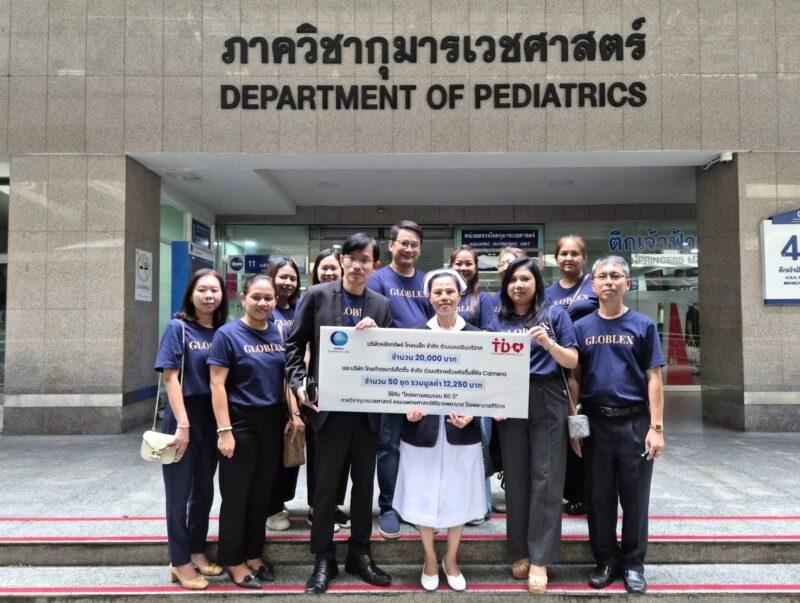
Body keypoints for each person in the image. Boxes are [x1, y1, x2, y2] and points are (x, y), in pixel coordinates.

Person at [286, 233, 394, 594]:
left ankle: (360, 554)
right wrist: (299, 382)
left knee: (364, 488)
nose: (358, 265)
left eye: (366, 259)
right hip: (328, 410)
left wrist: (379, 336)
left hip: (367, 413)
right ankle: (323, 557)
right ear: (342, 260)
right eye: (352, 258)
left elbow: (391, 353)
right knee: (325, 489)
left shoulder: (381, 304)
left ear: (375, 265)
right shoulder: (317, 296)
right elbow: (294, 344)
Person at [571, 256, 665, 595]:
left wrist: (657, 427)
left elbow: (654, 378)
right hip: (596, 423)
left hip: (634, 423)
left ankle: (634, 564)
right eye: (602, 276)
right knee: (599, 498)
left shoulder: (643, 325)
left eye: (615, 275)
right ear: (593, 284)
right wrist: (575, 426)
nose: (608, 281)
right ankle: (606, 561)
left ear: (628, 283)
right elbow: (574, 380)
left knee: (635, 498)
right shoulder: (581, 328)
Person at [393, 269, 485, 592]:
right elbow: (400, 381)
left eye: (450, 291)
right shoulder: (415, 335)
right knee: (421, 492)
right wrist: (407, 406)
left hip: (462, 430)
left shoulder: (478, 336)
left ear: (460, 296)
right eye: (438, 292)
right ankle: (430, 559)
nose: (444, 297)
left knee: (460, 493)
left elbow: (487, 384)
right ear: (429, 297)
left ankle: (452, 559)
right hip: (423, 428)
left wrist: (473, 413)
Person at [491, 257, 578, 595]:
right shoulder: (497, 318)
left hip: (547, 395)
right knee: (516, 477)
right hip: (509, 398)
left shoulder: (555, 315)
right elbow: (487, 363)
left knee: (547, 476)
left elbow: (572, 360)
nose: (518, 285)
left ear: (537, 283)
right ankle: (520, 551)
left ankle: (540, 558)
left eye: (525, 279)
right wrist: (494, 401)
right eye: (513, 280)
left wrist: (548, 344)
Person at [208, 274, 287, 589]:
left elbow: (284, 377)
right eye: (256, 297)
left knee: (261, 494)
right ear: (243, 298)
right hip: (239, 424)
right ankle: (232, 559)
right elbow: (217, 384)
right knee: (237, 496)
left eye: (268, 298)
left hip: (272, 422)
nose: (263, 303)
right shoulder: (227, 334)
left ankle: (253, 554)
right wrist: (224, 431)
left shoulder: (278, 332)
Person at [155, 269, 228, 590]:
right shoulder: (178, 328)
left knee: (204, 491)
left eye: (214, 290)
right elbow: (170, 377)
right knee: (179, 493)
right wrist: (182, 424)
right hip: (182, 417)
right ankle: (179, 561)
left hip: (211, 419)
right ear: (191, 293)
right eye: (202, 290)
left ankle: (197, 551)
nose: (209, 296)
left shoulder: (223, 332)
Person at [366, 220, 432, 539]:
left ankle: (415, 504)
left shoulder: (427, 281)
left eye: (414, 244)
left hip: (425, 373)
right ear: (391, 245)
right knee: (388, 443)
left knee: (421, 443)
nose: (408, 249)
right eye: (403, 243)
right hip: (390, 373)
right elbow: (377, 324)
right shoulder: (377, 279)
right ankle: (388, 506)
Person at [545, 235, 599, 518]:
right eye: (563, 253)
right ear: (556, 258)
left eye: (574, 253)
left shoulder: (594, 285)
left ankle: (593, 494)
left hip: (593, 366)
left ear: (584, 258)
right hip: (563, 370)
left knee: (592, 431)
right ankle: (575, 492)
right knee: (571, 428)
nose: (569, 258)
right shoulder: (547, 293)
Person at [448, 244, 496, 526]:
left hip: (477, 382)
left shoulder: (484, 299)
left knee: (480, 443)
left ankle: (481, 505)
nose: (464, 268)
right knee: (453, 447)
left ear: (476, 268)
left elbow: (488, 338)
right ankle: (455, 505)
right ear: (451, 265)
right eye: (459, 263)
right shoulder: (445, 294)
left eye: (469, 263)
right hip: (448, 382)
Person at [305, 248, 350, 532]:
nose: (330, 272)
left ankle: (332, 505)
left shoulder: (349, 299)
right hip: (316, 390)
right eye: (325, 268)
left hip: (345, 389)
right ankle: (316, 507)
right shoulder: (312, 298)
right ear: (316, 272)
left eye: (334, 268)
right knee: (319, 453)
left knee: (341, 454)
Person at [264, 257, 304, 533]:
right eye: (283, 277)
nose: (288, 283)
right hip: (271, 392)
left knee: (292, 450)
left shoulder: (299, 309)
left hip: (297, 391)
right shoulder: (265, 309)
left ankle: (282, 500)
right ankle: (271, 506)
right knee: (272, 455)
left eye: (292, 278)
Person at [492, 246, 527, 311]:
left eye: (510, 263)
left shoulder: (537, 297)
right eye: (501, 265)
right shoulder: (495, 299)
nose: (505, 268)